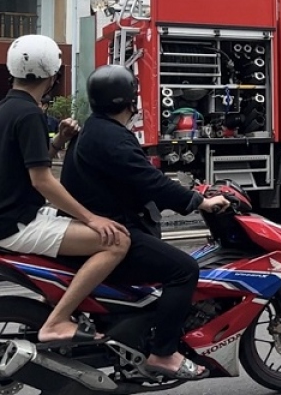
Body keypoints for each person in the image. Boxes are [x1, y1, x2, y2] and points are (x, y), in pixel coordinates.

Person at [60, 64, 230, 380]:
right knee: (184, 270)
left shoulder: (92, 130)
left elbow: (141, 180)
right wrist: (199, 200)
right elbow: (150, 182)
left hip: (97, 228)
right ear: (130, 101)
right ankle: (164, 353)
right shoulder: (113, 138)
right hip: (113, 233)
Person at [0, 35, 130, 345]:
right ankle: (57, 320)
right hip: (16, 223)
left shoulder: (2, 111)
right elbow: (42, 180)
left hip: (2, 218)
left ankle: (56, 305)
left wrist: (57, 142)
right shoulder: (29, 115)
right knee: (117, 240)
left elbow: (23, 168)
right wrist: (91, 218)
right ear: (53, 76)